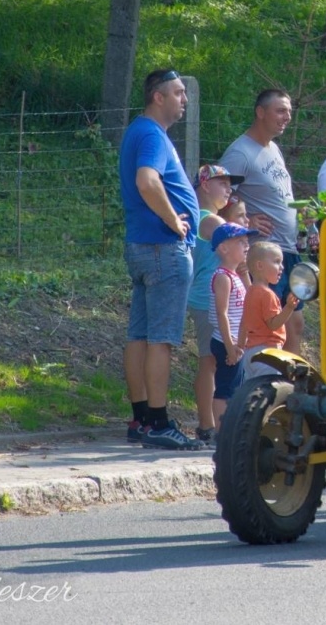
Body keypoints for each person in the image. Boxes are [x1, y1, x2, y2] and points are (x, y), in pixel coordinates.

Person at [118, 68, 202, 450]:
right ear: (159, 97)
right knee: (162, 340)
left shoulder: (139, 131)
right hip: (163, 249)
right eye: (179, 93)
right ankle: (159, 422)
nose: (184, 100)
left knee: (139, 335)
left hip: (141, 247)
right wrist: (175, 222)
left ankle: (140, 418)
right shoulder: (152, 134)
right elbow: (147, 181)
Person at [185, 164, 242, 445]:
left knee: (214, 361)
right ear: (205, 185)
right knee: (210, 361)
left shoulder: (213, 219)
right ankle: (208, 425)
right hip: (209, 300)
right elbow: (235, 240)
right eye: (222, 183)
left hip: (214, 298)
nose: (229, 189)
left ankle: (212, 422)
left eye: (230, 184)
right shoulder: (210, 221)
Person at [219, 89, 299, 257]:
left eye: (289, 112)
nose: (287, 117)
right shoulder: (240, 154)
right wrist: (245, 222)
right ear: (260, 112)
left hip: (287, 251)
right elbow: (215, 201)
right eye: (281, 111)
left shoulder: (273, 148)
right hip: (261, 256)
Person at [208, 221, 257, 425]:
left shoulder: (236, 275)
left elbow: (252, 297)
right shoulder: (223, 277)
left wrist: (245, 274)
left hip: (237, 342)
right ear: (224, 248)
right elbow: (222, 313)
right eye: (240, 242)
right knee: (225, 388)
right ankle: (221, 432)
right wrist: (229, 346)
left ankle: (230, 428)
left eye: (247, 242)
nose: (247, 246)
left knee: (236, 387)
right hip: (226, 341)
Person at [240, 240, 303, 377]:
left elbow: (244, 324)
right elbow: (273, 324)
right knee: (270, 393)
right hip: (268, 353)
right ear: (260, 265)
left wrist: (240, 347)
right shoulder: (268, 294)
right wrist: (289, 307)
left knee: (251, 393)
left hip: (249, 353)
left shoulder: (250, 292)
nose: (282, 267)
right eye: (276, 262)